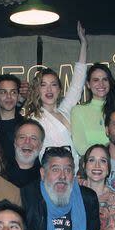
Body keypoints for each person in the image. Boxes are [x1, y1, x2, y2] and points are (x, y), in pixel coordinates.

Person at [21, 146, 100, 230]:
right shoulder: (27, 198)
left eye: (68, 170)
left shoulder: (87, 199)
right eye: (55, 170)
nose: (62, 176)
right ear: (43, 173)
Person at [23, 22, 88, 166]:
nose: (49, 89)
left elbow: (77, 82)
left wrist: (83, 44)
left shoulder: (65, 110)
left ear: (59, 89)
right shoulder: (34, 118)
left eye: (53, 85)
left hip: (79, 174)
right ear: (37, 90)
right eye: (43, 85)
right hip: (53, 175)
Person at [71, 63, 115, 156]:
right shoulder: (78, 111)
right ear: (88, 84)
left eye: (105, 79)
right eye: (96, 80)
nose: (101, 84)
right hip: (91, 166)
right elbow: (81, 147)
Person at [0, 74, 24, 168]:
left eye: (13, 92)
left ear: (19, 96)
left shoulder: (26, 127)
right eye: (3, 92)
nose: (9, 97)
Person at [5, 120, 43, 188]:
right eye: (22, 137)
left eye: (33, 138)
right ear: (15, 143)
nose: (27, 142)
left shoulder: (45, 178)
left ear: (41, 146)